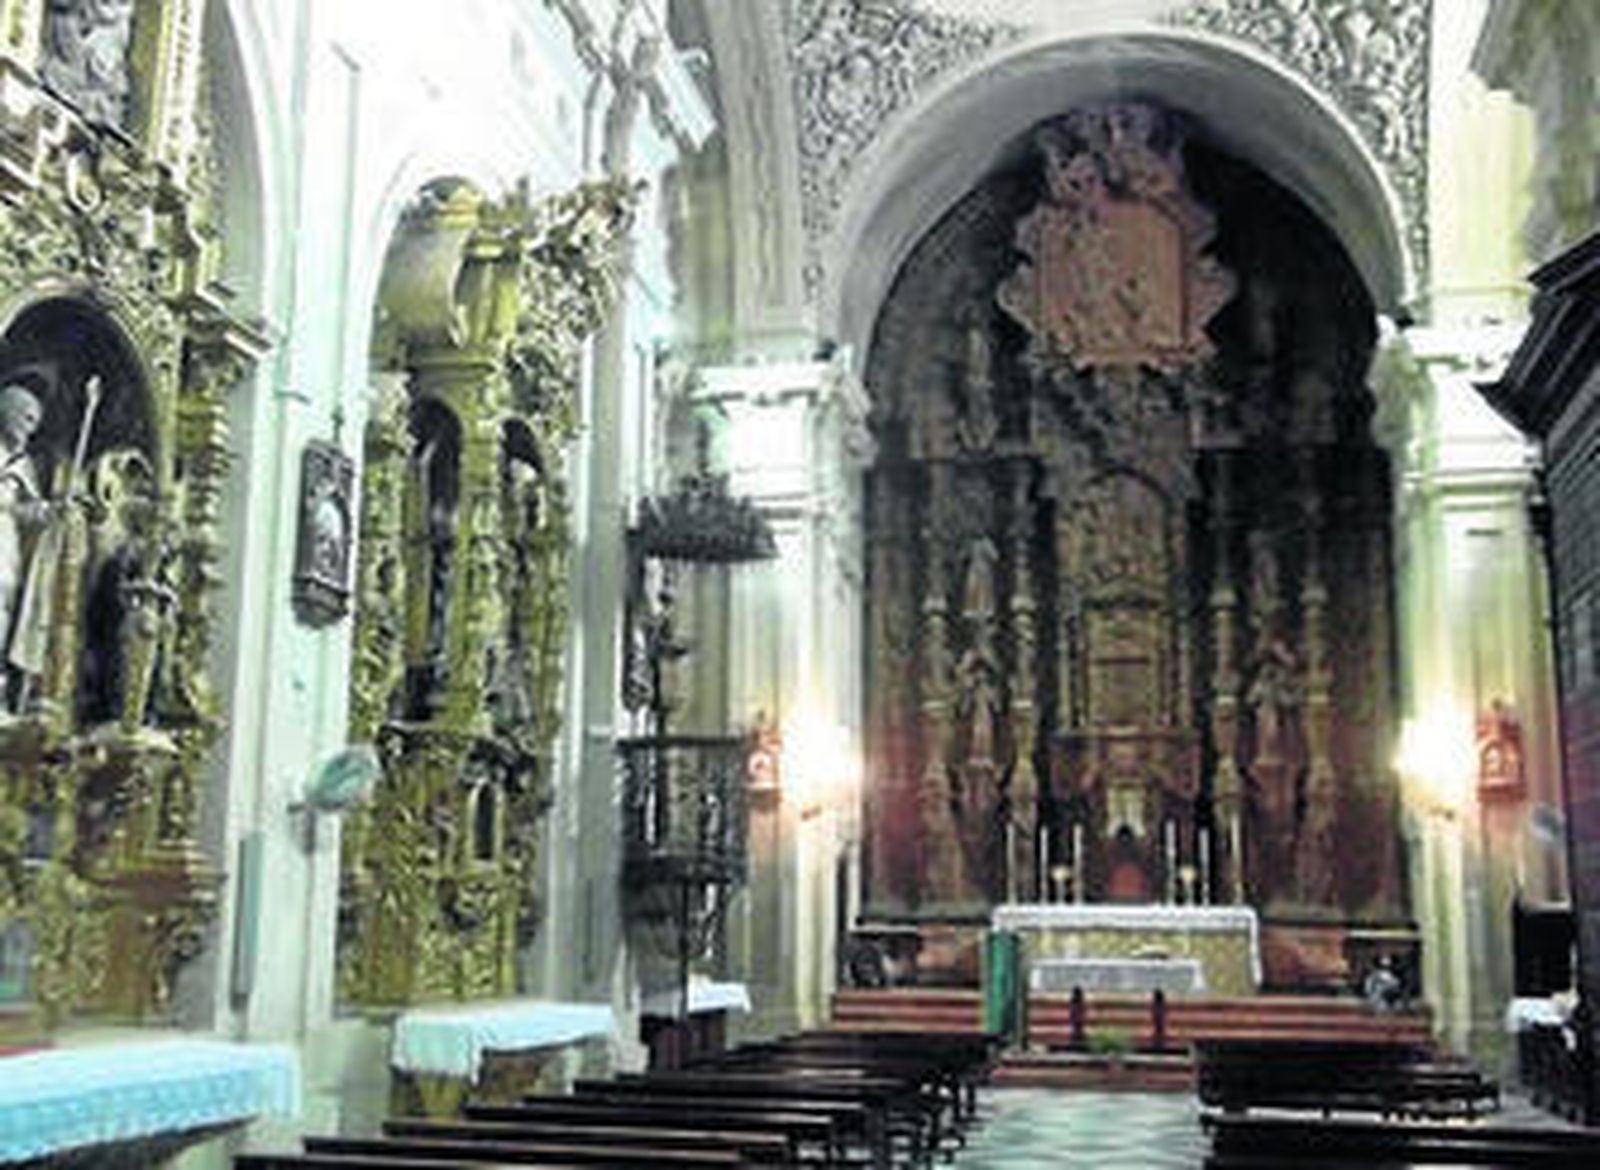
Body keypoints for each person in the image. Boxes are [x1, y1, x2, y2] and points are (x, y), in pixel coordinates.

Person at [0, 385, 45, 711]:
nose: (31, 427)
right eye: (27, 417)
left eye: (35, 422)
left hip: (7, 545)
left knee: (4, 606)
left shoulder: (23, 463)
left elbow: (28, 509)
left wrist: (48, 512)